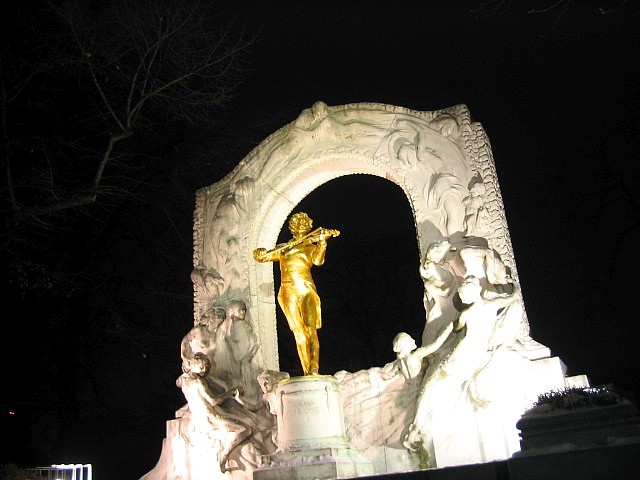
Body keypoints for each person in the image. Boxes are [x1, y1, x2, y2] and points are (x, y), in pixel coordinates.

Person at [253, 212, 339, 375]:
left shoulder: (310, 246)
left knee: (310, 329)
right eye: (299, 223)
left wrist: (322, 242)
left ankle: (314, 368)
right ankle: (307, 370)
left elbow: (318, 261)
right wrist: (259, 253)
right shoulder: (284, 248)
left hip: (306, 289)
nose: (303, 225)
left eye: (305, 223)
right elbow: (264, 257)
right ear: (294, 227)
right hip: (288, 291)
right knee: (298, 333)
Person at [176, 353, 253, 473]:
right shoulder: (199, 382)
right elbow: (213, 401)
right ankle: (224, 456)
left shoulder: (183, 381)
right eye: (201, 366)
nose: (204, 370)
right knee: (245, 430)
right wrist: (231, 392)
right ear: (194, 364)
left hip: (199, 419)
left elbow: (179, 382)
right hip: (211, 418)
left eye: (205, 367)